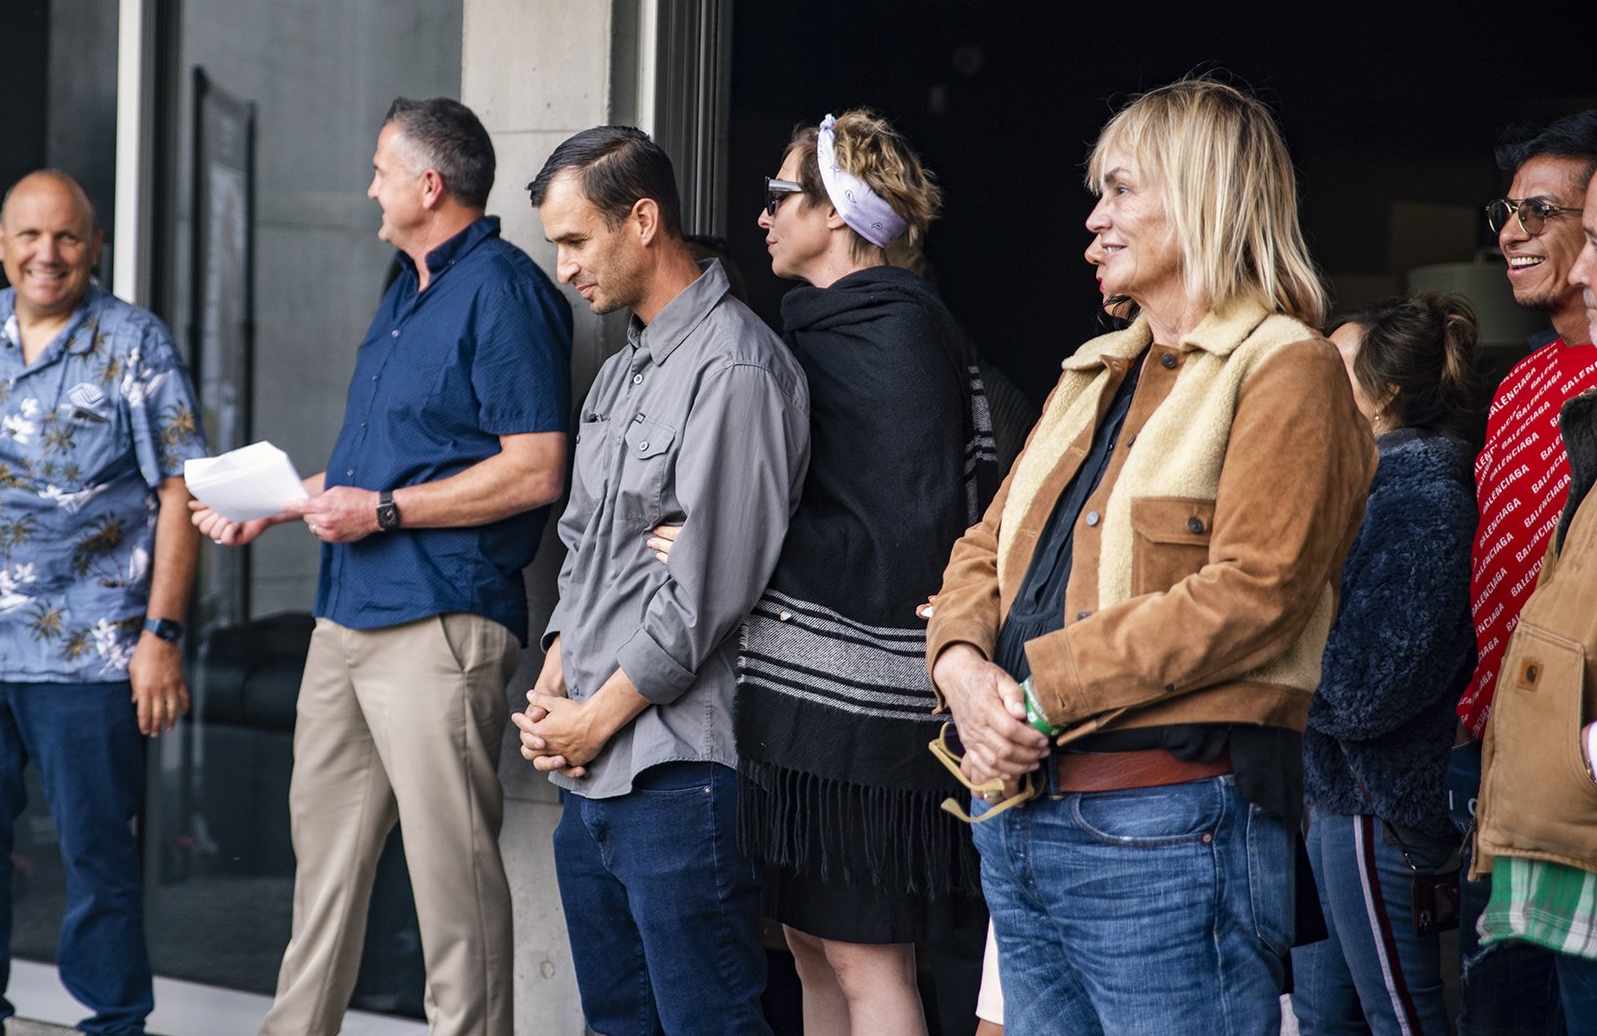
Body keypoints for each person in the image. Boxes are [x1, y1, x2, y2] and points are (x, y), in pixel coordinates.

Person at [924, 77, 1376, 1036]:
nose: (1094, 221)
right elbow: (983, 546)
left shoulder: (1285, 365)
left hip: (1170, 823)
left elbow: (1256, 592)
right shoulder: (1091, 373)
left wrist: (1034, 694)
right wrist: (963, 673)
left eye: (1121, 190)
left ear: (1203, 193)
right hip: (1020, 814)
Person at [190, 97, 572, 1036]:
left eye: (379, 169)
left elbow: (535, 469)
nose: (369, 185)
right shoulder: (401, 289)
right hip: (346, 616)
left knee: (454, 891)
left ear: (428, 185)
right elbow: (378, 469)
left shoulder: (507, 290)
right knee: (319, 880)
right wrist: (276, 506)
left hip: (440, 624)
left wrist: (387, 509)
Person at [663, 109, 993, 1036]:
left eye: (780, 195)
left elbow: (910, 530)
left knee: (865, 960)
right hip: (809, 719)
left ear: (839, 213)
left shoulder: (899, 334)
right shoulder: (821, 323)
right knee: (809, 947)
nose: (761, 214)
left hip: (869, 720)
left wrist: (726, 541)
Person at [513, 126, 810, 1036]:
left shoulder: (737, 366)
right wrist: (557, 678)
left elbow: (706, 590)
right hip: (591, 771)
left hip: (677, 774)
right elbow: (582, 547)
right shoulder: (620, 368)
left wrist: (594, 717)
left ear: (642, 219)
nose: (564, 268)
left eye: (574, 240)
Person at [0, 169, 206, 1036]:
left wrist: (161, 633)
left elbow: (180, 492)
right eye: (30, 236)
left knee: (97, 861)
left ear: (95, 245)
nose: (48, 254)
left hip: (91, 655)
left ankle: (114, 1023)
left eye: (68, 236)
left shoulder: (134, 344)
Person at [1290, 295, 1483, 1036]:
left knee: (1401, 1015)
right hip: (1336, 797)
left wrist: (1276, 673)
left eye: (1336, 365)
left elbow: (1371, 687)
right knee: (1321, 1016)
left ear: (1387, 390)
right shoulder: (1363, 485)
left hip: (1379, 806)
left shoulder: (1424, 496)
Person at [1454, 111, 1597, 1034]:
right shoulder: (1520, 380)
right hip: (1494, 754)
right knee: (1501, 1008)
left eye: (1539, 211)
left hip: (1577, 764)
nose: (1511, 234)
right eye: (1504, 212)